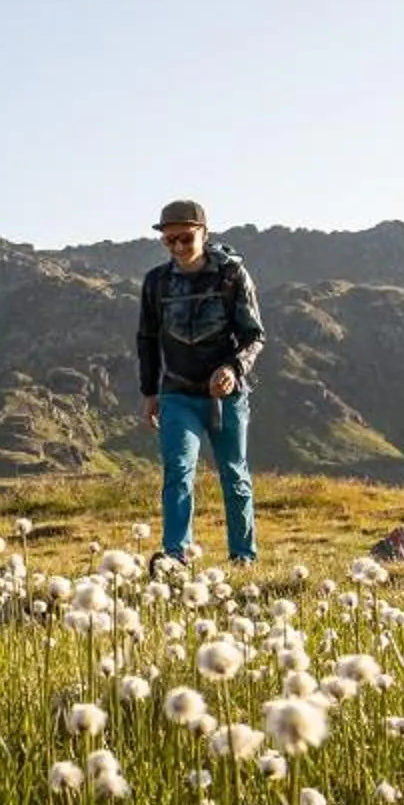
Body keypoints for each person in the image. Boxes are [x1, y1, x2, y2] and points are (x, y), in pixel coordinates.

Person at [136, 201, 263, 565]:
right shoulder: (156, 283)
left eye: (185, 238)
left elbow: (254, 335)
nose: (176, 247)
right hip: (177, 393)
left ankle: (243, 558)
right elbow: (146, 339)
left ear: (204, 233)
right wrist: (150, 393)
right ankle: (176, 557)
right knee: (178, 471)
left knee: (234, 474)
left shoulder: (232, 277)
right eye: (168, 240)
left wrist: (234, 369)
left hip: (226, 396)